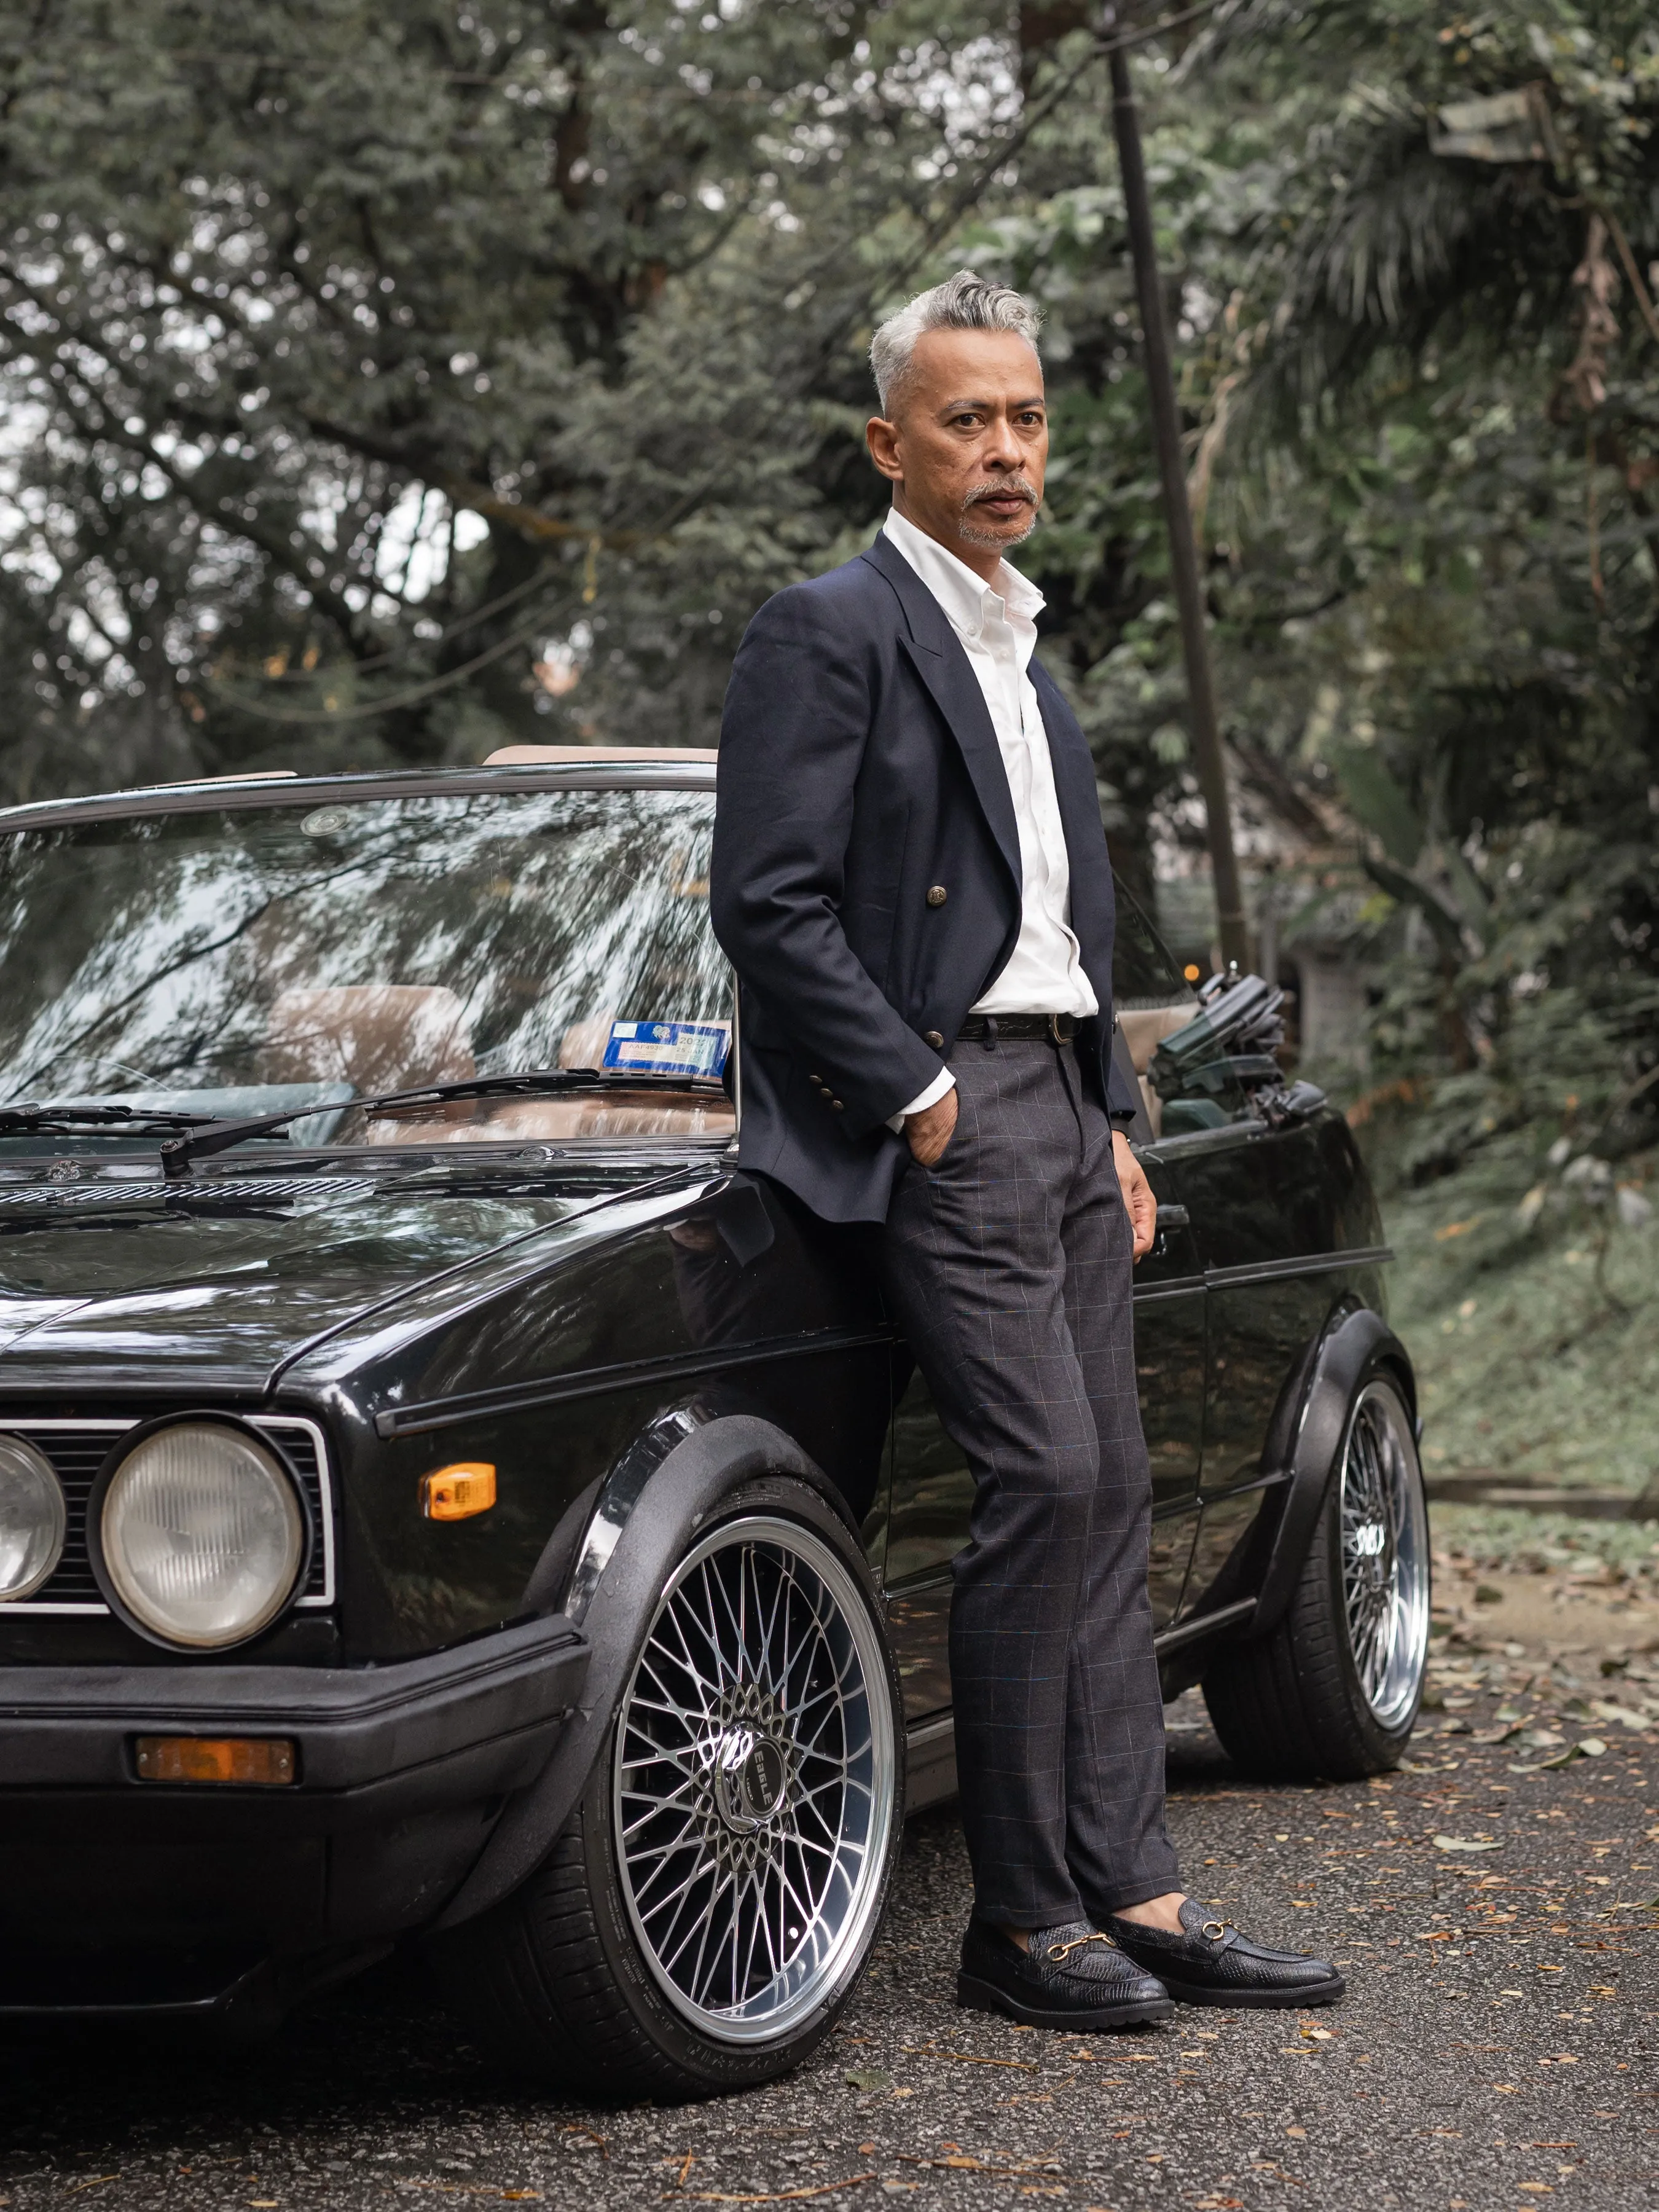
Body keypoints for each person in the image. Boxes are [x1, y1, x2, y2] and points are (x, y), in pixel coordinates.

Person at [710, 270, 1341, 2030]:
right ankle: (1019, 1918)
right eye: (967, 419)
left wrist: (1113, 1118)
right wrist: (915, 1092)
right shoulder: (829, 630)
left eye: (1027, 417)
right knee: (1045, 1483)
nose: (1005, 449)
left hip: (1056, 1110)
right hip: (945, 1108)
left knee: (1113, 1494)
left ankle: (1132, 1891)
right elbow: (766, 902)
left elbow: (1057, 919)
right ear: (886, 444)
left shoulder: (1019, 653)